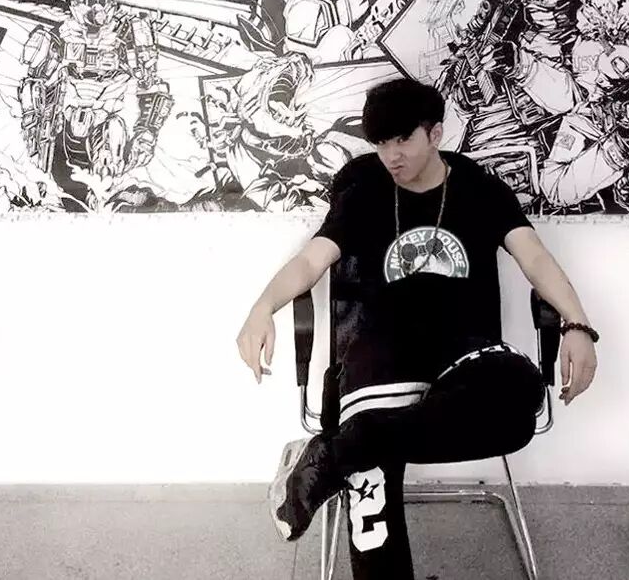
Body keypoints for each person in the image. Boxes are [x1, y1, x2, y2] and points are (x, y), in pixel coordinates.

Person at [235, 77, 599, 579]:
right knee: (372, 474)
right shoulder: (364, 191)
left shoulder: (480, 189)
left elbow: (534, 257)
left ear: (435, 134)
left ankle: (334, 453)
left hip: (466, 350)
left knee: (518, 400)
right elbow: (310, 261)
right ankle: (353, 449)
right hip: (379, 353)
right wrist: (262, 308)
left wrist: (577, 323)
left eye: (403, 139)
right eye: (381, 143)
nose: (391, 156)